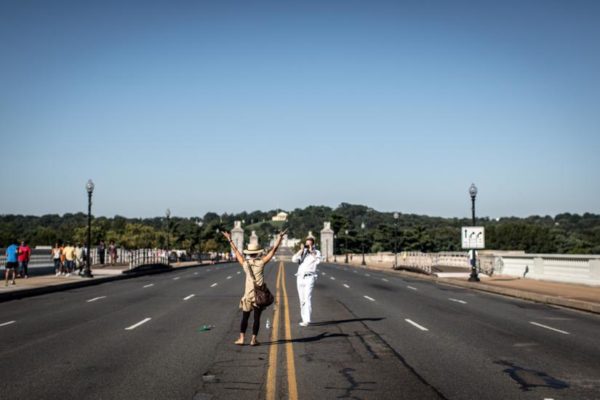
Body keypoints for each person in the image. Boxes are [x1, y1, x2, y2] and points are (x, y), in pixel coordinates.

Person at [222, 229, 287, 346]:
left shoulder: (245, 263)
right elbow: (274, 250)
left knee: (245, 317)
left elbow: (236, 251)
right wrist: (280, 238)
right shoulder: (261, 262)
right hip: (259, 294)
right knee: (257, 318)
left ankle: (241, 338)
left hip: (248, 294)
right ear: (258, 253)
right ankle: (253, 339)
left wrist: (229, 239)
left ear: (248, 253)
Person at [292, 235, 322, 326]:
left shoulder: (316, 252)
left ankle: (307, 320)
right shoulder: (302, 252)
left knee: (307, 298)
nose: (307, 245)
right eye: (306, 244)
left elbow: (317, 261)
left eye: (309, 244)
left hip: (310, 277)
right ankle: (304, 319)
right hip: (300, 277)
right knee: (301, 300)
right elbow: (293, 259)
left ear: (313, 245)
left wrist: (311, 250)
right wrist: (301, 250)